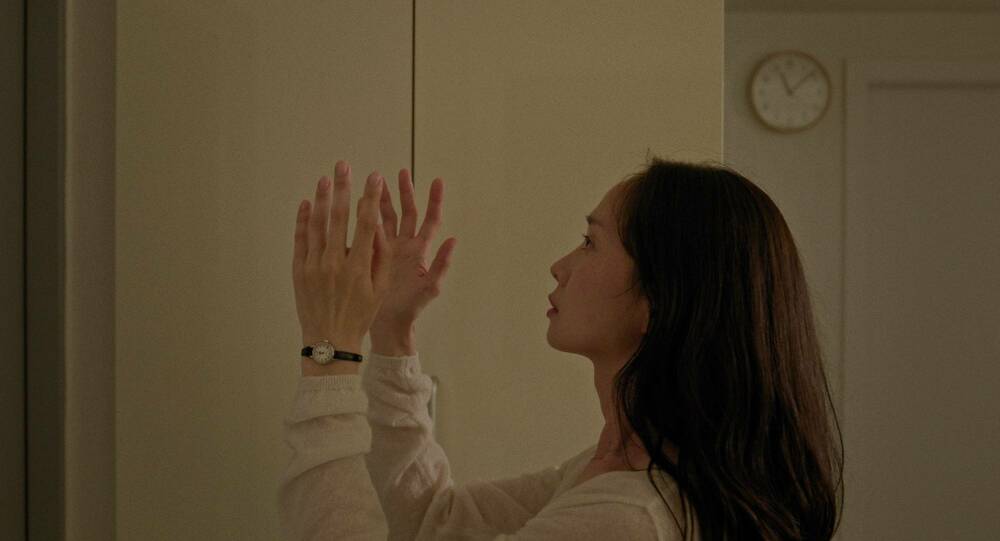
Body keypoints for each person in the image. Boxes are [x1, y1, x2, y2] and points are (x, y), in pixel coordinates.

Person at [277, 154, 844, 540]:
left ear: (659, 301)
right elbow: (432, 523)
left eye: (590, 242)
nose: (560, 265)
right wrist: (392, 333)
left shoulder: (632, 519)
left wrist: (329, 354)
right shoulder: (619, 465)